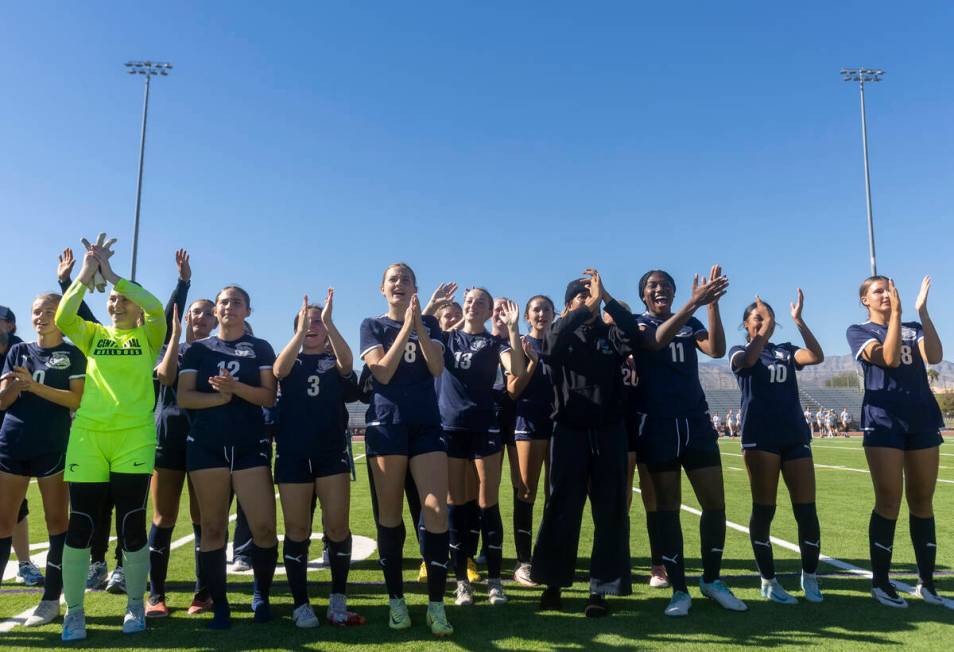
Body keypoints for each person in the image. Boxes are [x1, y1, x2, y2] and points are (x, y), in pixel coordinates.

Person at [54, 242, 167, 640]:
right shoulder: (92, 335)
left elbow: (156, 307)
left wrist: (115, 276)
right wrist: (86, 274)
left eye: (123, 299)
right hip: (88, 437)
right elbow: (64, 315)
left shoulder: (150, 335)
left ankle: (134, 605)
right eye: (113, 300)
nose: (117, 303)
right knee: (81, 525)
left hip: (133, 439)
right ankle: (75, 613)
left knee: (133, 525)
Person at [631, 267, 746, 617]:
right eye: (653, 285)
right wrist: (691, 305)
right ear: (644, 295)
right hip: (660, 425)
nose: (660, 289)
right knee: (668, 507)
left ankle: (711, 580)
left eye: (666, 285)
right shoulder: (639, 323)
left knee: (715, 504)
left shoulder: (691, 321)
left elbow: (716, 349)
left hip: (695, 422)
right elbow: (654, 343)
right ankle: (679, 589)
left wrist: (710, 305)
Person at [532, 269, 635, 618]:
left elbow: (632, 335)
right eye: (581, 294)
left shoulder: (610, 333)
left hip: (609, 431)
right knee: (562, 506)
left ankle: (601, 589)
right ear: (568, 304)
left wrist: (606, 299)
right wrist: (578, 309)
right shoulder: (563, 332)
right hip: (570, 431)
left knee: (610, 509)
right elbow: (548, 347)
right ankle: (553, 583)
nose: (588, 299)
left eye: (592, 293)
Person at [359, 262, 453, 636]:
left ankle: (436, 605)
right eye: (393, 279)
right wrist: (406, 328)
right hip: (387, 426)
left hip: (426, 426)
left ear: (415, 287)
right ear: (382, 288)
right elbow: (381, 371)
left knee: (435, 512)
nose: (399, 283)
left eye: (406, 279)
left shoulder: (429, 326)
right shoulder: (372, 325)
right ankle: (396, 600)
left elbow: (434, 367)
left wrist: (419, 325)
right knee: (390, 515)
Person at [178, 285, 278, 629]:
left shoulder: (261, 348)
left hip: (249, 445)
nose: (229, 307)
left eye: (237, 302)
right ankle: (220, 605)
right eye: (223, 302)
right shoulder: (197, 350)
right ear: (215, 310)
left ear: (247, 311)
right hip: (207, 446)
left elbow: (268, 397)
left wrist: (235, 389)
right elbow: (185, 397)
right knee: (212, 528)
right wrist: (219, 400)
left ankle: (261, 595)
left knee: (264, 528)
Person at [847, 276, 951, 608]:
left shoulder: (911, 325)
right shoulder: (859, 331)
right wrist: (895, 319)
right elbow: (889, 358)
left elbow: (934, 356)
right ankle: (880, 583)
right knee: (889, 501)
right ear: (865, 299)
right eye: (878, 291)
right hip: (884, 422)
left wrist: (921, 312)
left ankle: (927, 584)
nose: (886, 295)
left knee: (922, 500)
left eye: (889, 290)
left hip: (921, 418)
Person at [273, 292, 365, 627]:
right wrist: (299, 335)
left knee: (337, 527)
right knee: (297, 529)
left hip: (330, 455)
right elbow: (279, 371)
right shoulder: (289, 358)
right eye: (305, 321)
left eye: (317, 322)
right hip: (293, 455)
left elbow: (347, 364)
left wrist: (329, 322)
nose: (312, 326)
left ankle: (338, 598)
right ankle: (301, 604)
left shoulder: (333, 359)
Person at [730, 291, 825, 604]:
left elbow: (816, 355)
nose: (765, 321)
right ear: (745, 324)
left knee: (807, 511)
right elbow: (750, 360)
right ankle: (768, 580)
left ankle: (809, 576)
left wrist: (799, 321)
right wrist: (764, 332)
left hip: (795, 435)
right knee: (764, 510)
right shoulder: (739, 350)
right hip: (760, 439)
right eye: (758, 317)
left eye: (768, 317)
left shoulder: (785, 350)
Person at [0, 293, 86, 625]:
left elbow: (76, 399)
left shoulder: (72, 354)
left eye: (49, 311)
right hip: (12, 444)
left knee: (56, 524)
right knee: (3, 524)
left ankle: (51, 601)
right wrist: (14, 387)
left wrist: (34, 388)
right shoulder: (18, 351)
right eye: (37, 311)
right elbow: (2, 402)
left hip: (52, 447)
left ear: (62, 315)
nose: (42, 316)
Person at [439, 288, 525, 607]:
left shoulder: (494, 342)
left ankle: (495, 582)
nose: (473, 305)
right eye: (469, 300)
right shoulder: (446, 338)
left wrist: (514, 329)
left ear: (490, 311)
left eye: (480, 302)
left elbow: (516, 367)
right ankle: (462, 580)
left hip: (484, 426)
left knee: (487, 504)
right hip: (450, 427)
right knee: (456, 505)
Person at [602, 302, 669, 590]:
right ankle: (622, 560)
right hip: (621, 426)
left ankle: (659, 564)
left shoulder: (642, 346)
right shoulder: (605, 348)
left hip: (649, 422)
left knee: (653, 496)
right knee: (624, 495)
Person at [507, 295, 556, 586]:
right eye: (536, 309)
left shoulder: (560, 345)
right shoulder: (521, 344)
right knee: (526, 492)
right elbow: (513, 389)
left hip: (558, 425)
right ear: (527, 315)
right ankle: (523, 561)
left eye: (546, 309)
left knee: (555, 493)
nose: (541, 314)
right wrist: (534, 363)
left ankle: (548, 555)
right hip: (528, 424)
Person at [0, 308, 44, 589]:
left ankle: (24, 563)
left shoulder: (20, 352)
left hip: (12, 437)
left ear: (11, 325)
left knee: (15, 507)